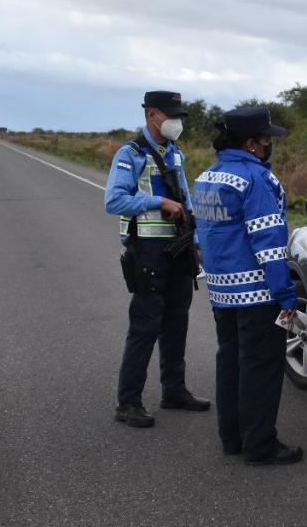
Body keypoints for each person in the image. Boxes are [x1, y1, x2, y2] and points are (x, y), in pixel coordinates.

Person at [193, 106, 304, 466]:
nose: (270, 143)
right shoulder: (257, 180)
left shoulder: (208, 177)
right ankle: (260, 445)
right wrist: (286, 294)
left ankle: (233, 438)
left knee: (230, 363)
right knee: (261, 369)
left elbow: (204, 238)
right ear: (252, 142)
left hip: (222, 292)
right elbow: (269, 243)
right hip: (257, 294)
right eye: (266, 137)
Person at [105, 90, 209, 428]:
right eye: (171, 115)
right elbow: (115, 201)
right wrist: (157, 203)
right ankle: (128, 402)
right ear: (152, 115)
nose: (176, 122)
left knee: (177, 321)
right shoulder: (130, 154)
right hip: (148, 252)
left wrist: (194, 239)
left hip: (177, 250)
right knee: (145, 325)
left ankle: (174, 390)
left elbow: (185, 198)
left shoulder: (174, 153)